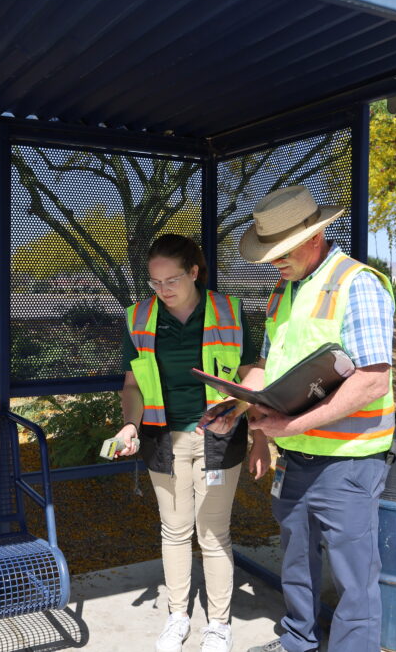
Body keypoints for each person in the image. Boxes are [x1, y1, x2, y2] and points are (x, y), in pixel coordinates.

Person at [202, 185, 396, 652]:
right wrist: (244, 408)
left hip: (348, 462)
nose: (274, 262)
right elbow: (270, 367)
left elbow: (373, 380)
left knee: (355, 581)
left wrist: (292, 427)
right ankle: (297, 641)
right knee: (295, 562)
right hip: (295, 458)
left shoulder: (358, 283)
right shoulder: (283, 291)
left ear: (313, 237)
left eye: (280, 252)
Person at [115, 233, 270, 652]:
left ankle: (218, 624)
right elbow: (132, 384)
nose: (163, 290)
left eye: (172, 280)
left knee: (214, 532)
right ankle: (177, 615)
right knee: (174, 530)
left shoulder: (231, 312)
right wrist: (130, 425)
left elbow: (253, 378)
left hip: (218, 438)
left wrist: (259, 437)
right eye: (155, 282)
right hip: (162, 438)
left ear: (195, 272)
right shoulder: (138, 318)